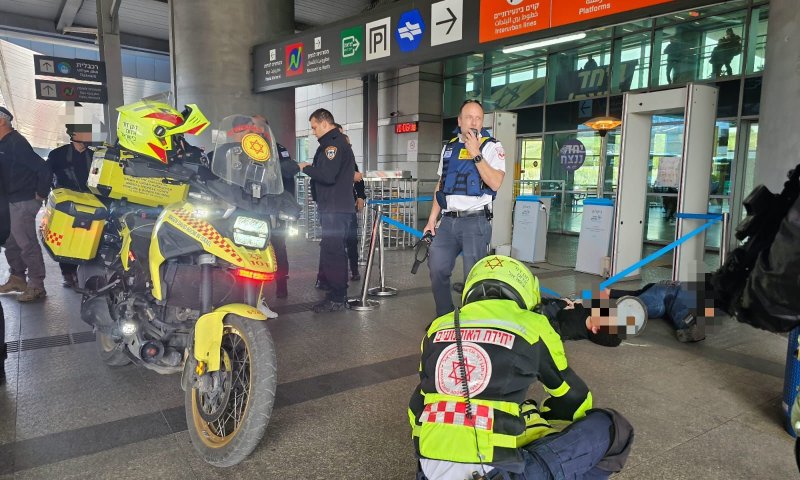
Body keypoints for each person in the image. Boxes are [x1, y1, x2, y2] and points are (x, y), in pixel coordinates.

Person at [409, 255, 633, 480]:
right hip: (494, 473)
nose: (604, 312)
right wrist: (546, 422)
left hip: (428, 471)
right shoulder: (537, 324)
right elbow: (574, 398)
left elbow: (416, 405)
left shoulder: (437, 327)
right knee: (613, 427)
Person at [424, 99, 506, 317]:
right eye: (469, 117)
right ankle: (444, 317)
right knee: (437, 268)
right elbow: (440, 185)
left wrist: (476, 153)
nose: (474, 122)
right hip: (448, 221)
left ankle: (472, 321)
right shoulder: (449, 147)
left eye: (478, 118)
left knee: (474, 276)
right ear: (460, 121)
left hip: (475, 221)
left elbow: (496, 182)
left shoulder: (492, 147)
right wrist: (432, 219)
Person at [298, 109, 356, 313]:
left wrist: (305, 167)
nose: (313, 132)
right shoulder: (335, 143)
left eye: (314, 127)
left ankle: (338, 297)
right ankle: (335, 293)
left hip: (335, 208)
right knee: (332, 250)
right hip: (334, 207)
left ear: (324, 123)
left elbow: (327, 175)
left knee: (334, 252)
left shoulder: (333, 145)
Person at [0, 106, 51, 302]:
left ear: (2, 121)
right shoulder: (4, 143)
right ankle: (17, 278)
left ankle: (37, 285)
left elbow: (43, 168)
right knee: (10, 242)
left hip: (23, 201)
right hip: (10, 202)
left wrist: (40, 195)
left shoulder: (16, 143)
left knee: (26, 244)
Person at [47, 124, 94, 288]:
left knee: (87, 239)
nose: (89, 135)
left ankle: (85, 272)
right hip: (66, 207)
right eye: (85, 132)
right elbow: (46, 178)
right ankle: (68, 273)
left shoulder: (94, 156)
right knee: (64, 240)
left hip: (90, 205)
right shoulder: (57, 155)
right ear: (73, 134)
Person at [272, 141, 300, 299]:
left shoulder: (279, 148)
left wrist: (289, 206)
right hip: (251, 205)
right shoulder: (243, 147)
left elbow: (289, 171)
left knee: (278, 245)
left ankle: (281, 284)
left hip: (276, 207)